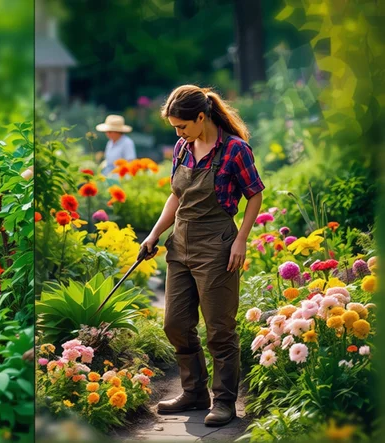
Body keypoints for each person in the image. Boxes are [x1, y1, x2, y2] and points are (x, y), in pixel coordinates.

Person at [140, 85, 264, 427]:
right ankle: (194, 392)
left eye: (182, 126)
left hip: (217, 246)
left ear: (201, 116)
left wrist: (240, 240)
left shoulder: (235, 150)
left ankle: (224, 401)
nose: (179, 133)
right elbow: (176, 196)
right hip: (181, 244)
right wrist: (154, 234)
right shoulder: (182, 148)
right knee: (175, 323)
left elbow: (254, 195)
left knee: (220, 330)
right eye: (175, 128)